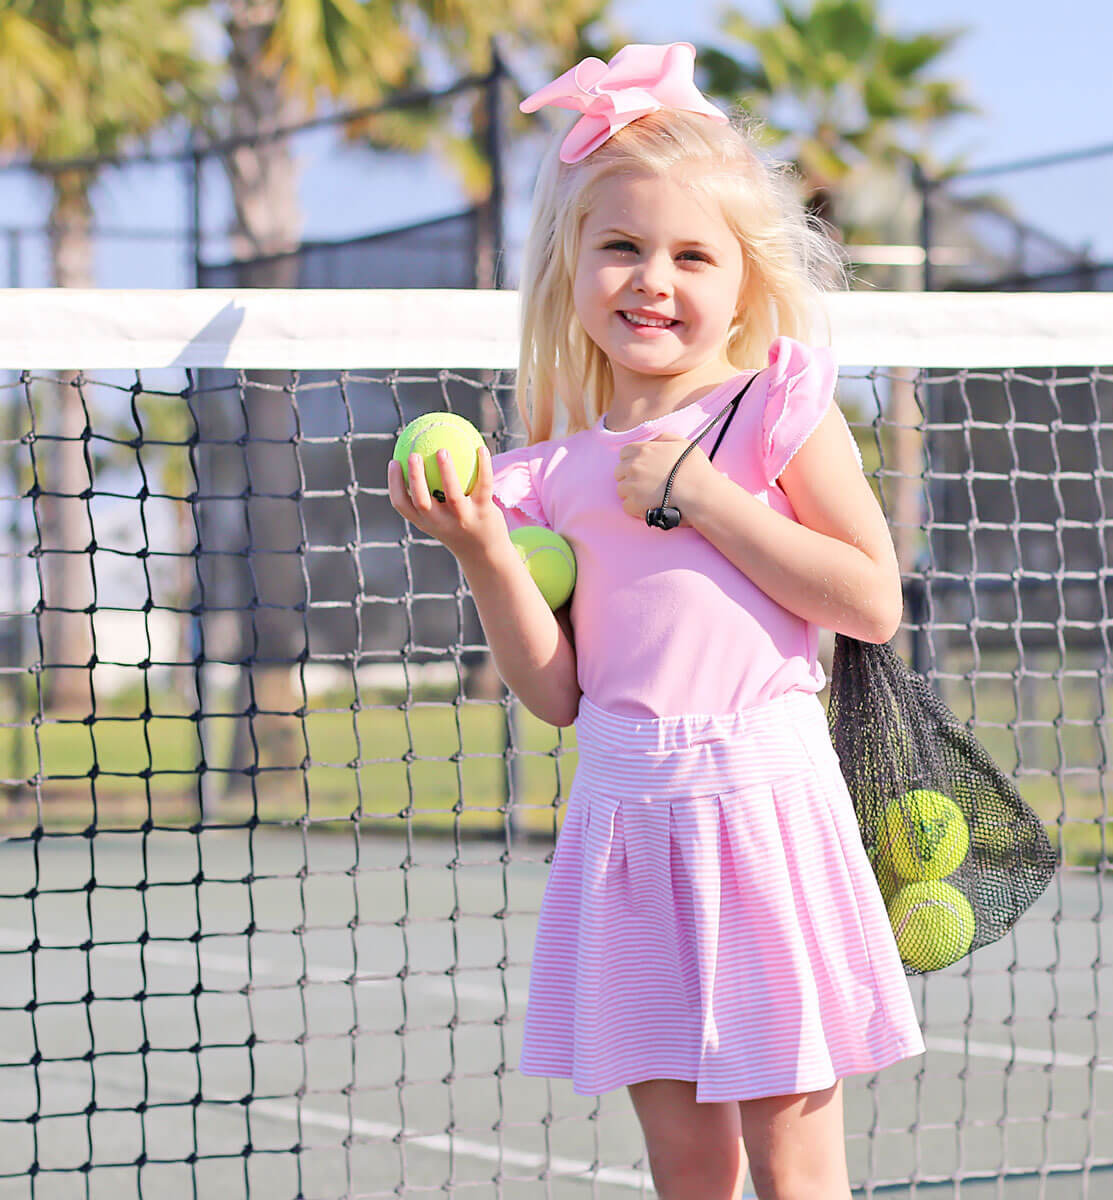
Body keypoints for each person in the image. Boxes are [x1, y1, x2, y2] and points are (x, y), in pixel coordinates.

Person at [387, 41, 924, 1200]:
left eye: (691, 254)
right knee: (690, 1175)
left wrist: (705, 493)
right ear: (572, 267)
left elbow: (871, 599)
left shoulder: (773, 409)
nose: (653, 279)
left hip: (767, 811)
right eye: (621, 246)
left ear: (743, 281)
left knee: (796, 1168)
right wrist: (484, 549)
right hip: (627, 825)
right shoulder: (548, 476)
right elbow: (557, 694)